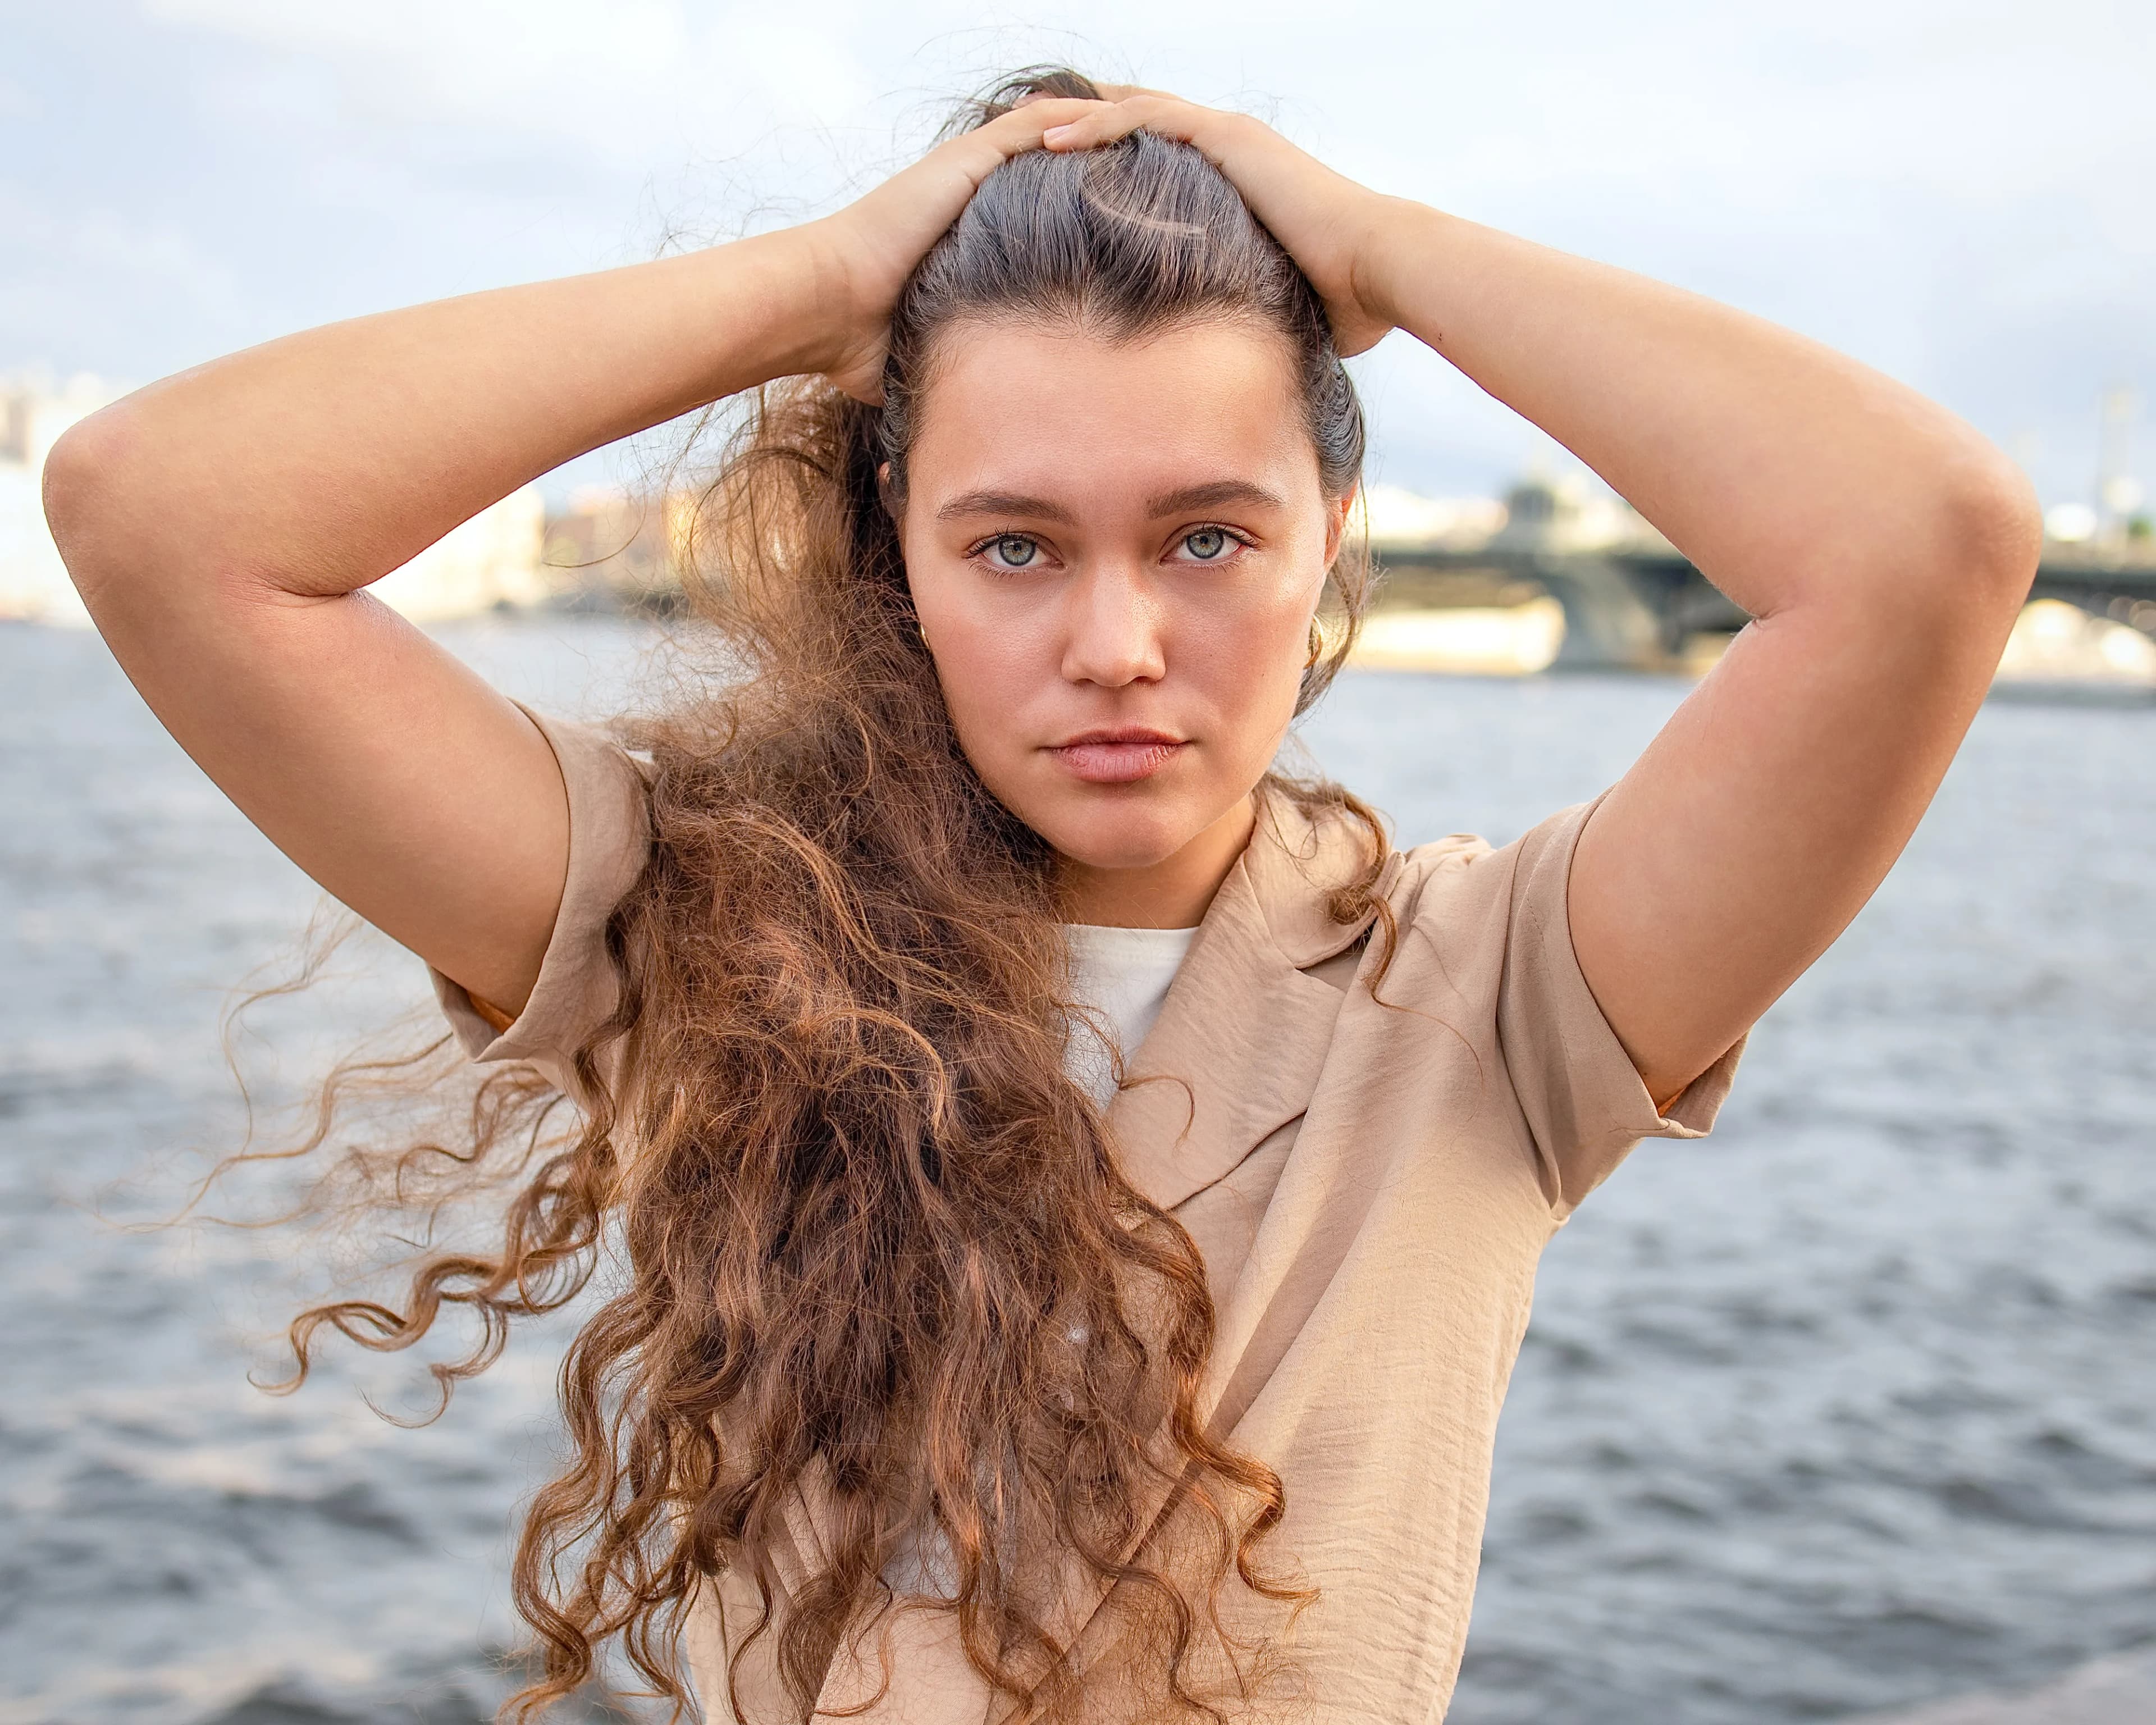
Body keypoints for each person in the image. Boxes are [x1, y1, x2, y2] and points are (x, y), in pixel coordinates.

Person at [44, 66, 2039, 1725]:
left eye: (1206, 535)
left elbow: (1923, 545)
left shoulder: (1505, 990)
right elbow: (162, 508)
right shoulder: (707, 932)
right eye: (1011, 546)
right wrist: (826, 287)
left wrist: (1379, 254)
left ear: (1330, 546)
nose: (1116, 642)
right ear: (891, 555)